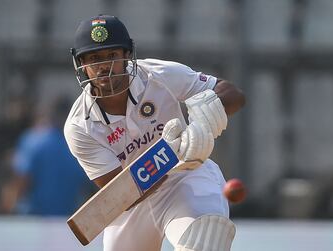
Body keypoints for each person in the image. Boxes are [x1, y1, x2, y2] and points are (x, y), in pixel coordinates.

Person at [64, 14, 245, 251]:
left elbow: (234, 95)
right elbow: (121, 195)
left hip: (185, 180)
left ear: (127, 55)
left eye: (112, 56)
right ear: (81, 65)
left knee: (205, 237)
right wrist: (169, 153)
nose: (103, 66)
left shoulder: (158, 75)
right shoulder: (80, 127)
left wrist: (204, 120)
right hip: (131, 206)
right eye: (94, 58)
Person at [0, 98, 94, 216]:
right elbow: (89, 186)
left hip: (34, 220)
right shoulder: (81, 143)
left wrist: (4, 213)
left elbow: (21, 180)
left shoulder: (33, 140)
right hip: (67, 222)